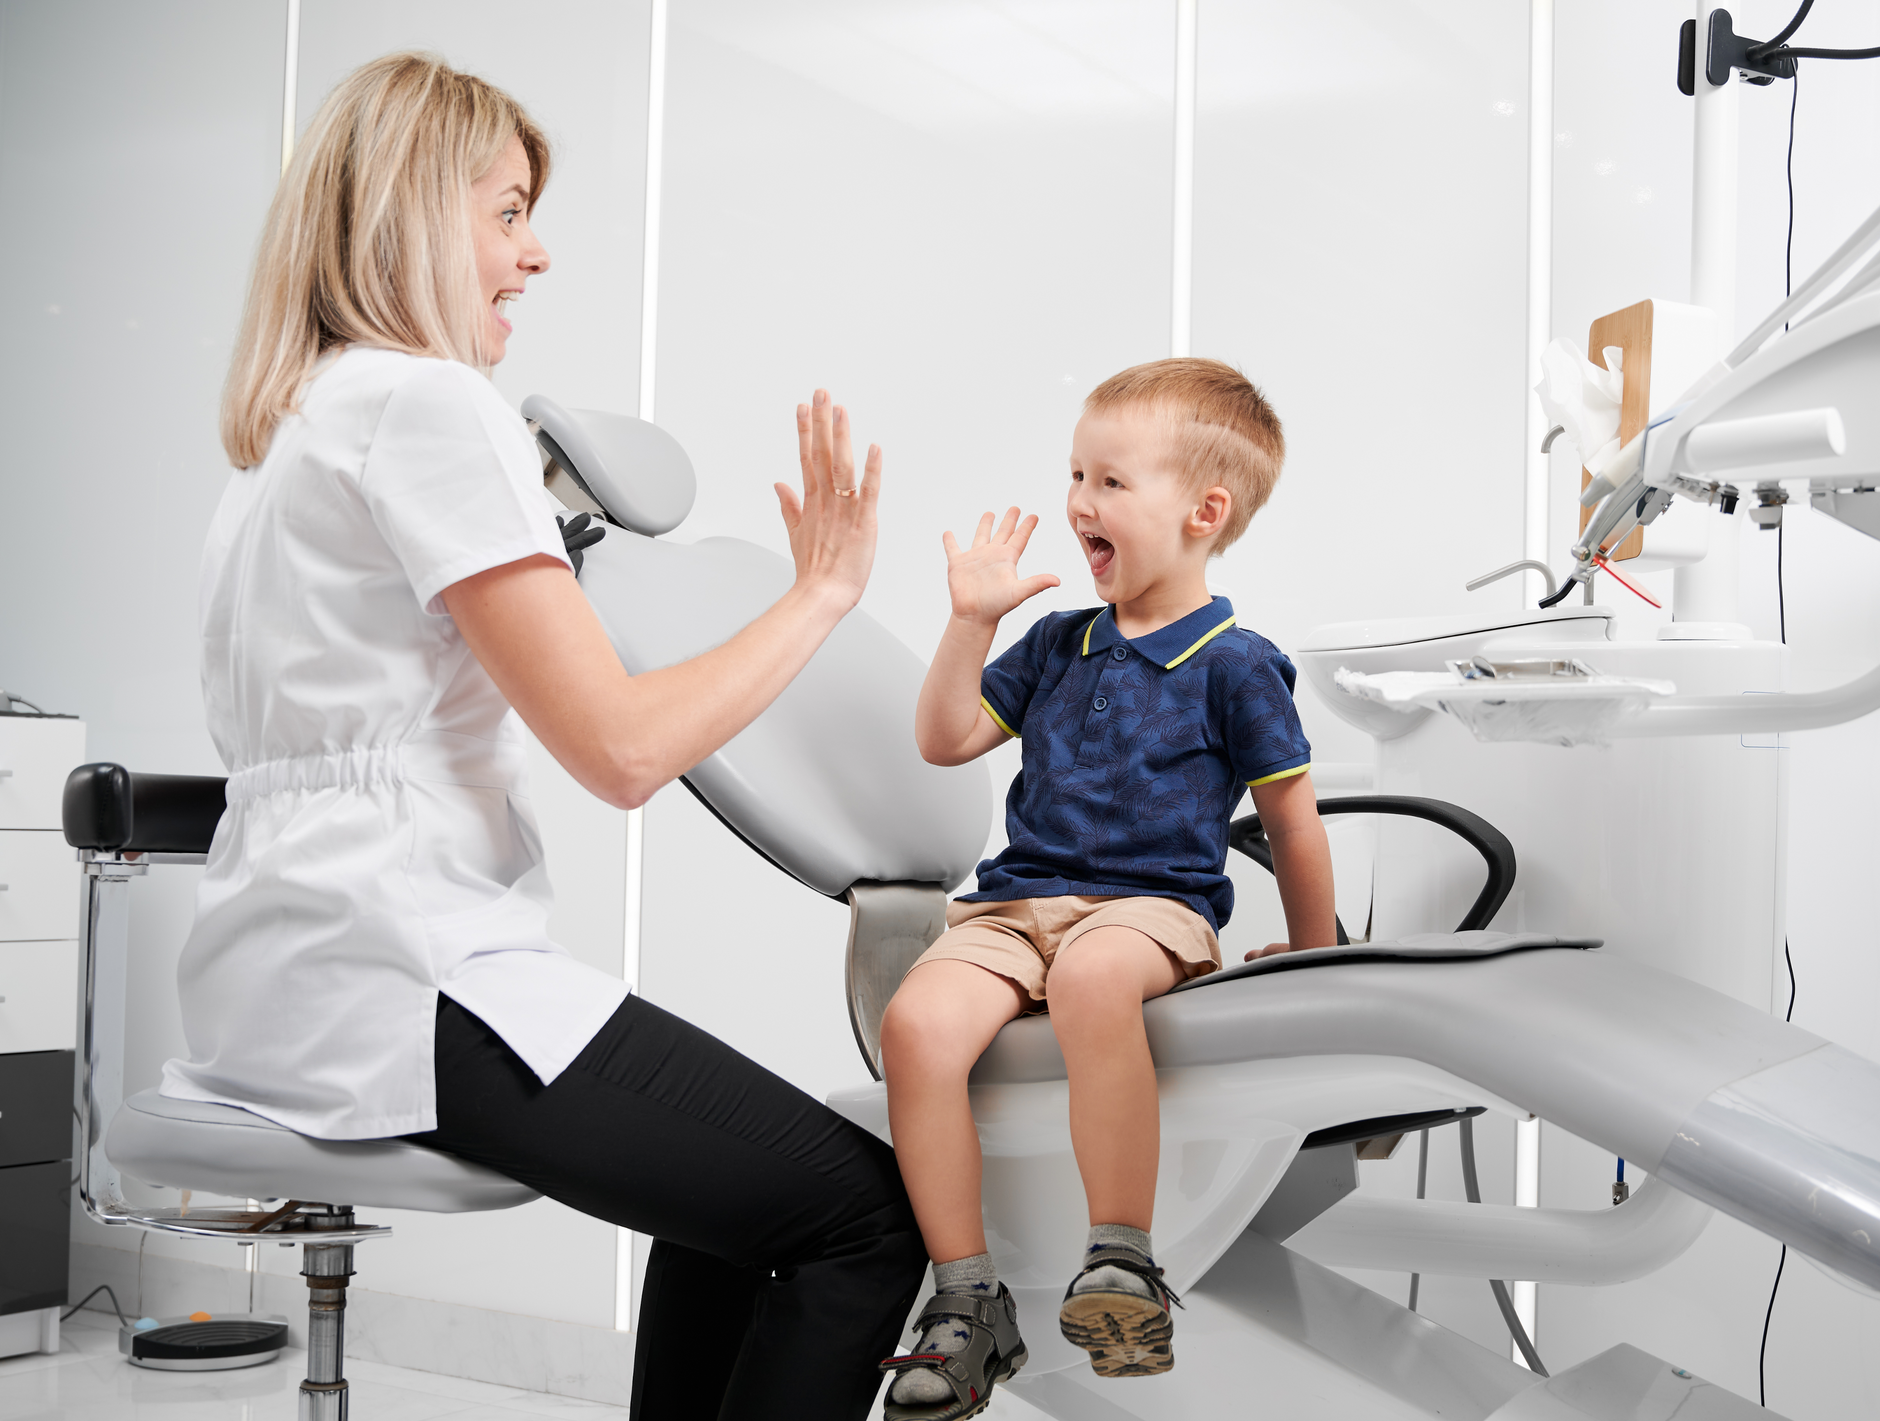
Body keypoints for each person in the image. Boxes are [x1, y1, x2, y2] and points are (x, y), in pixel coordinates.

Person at [165, 52, 924, 1419]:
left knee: (734, 1206)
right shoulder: (431, 406)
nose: (536, 253)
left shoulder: (293, 430)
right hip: (403, 972)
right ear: (411, 210)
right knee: (865, 1217)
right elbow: (624, 749)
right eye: (507, 212)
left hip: (280, 974)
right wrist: (819, 595)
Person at [876, 358, 1337, 1416]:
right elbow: (945, 738)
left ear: (1203, 513)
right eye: (1075, 473)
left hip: (1149, 907)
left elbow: (1291, 824)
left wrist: (1314, 956)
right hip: (1013, 905)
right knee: (914, 1025)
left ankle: (1121, 1259)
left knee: (1093, 979)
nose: (1079, 499)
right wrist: (970, 621)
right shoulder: (1054, 644)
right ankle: (966, 1300)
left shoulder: (1237, 662)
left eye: (1112, 482)